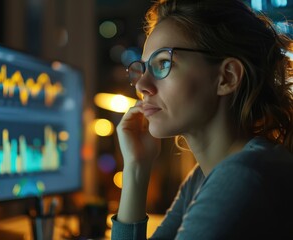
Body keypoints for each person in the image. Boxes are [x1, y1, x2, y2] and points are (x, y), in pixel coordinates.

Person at [111, 0, 293, 239]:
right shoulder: (204, 176)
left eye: (164, 63)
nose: (142, 85)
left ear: (226, 77)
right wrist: (136, 167)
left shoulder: (243, 176)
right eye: (144, 68)